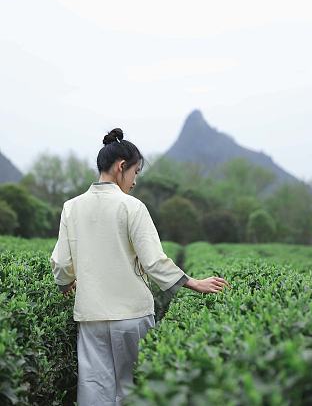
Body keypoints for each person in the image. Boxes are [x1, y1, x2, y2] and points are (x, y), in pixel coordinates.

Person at [50, 127, 230, 406]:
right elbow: (154, 260)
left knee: (95, 390)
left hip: (91, 316)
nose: (134, 182)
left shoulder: (71, 207)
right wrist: (193, 282)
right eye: (135, 172)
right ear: (121, 167)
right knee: (134, 390)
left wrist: (65, 283)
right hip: (131, 314)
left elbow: (61, 262)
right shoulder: (132, 207)